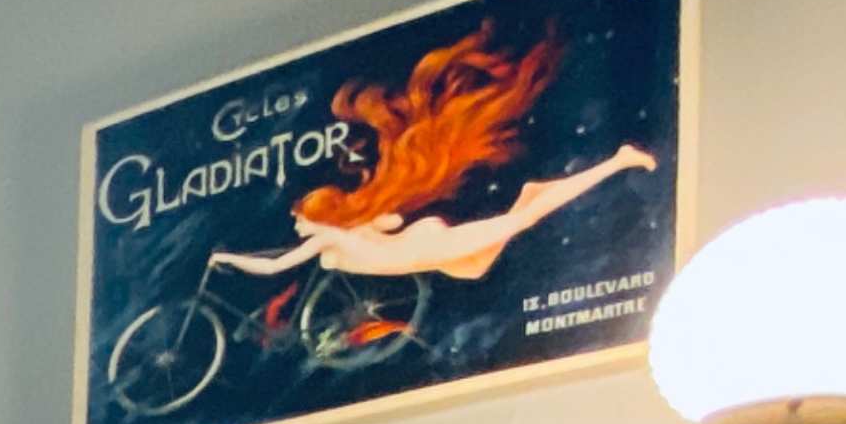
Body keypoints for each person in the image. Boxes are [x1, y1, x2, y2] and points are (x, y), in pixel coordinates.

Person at [209, 25, 654, 286]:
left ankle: (618, 160)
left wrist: (228, 259)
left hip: (432, 245)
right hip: (432, 253)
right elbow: (387, 225)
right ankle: (532, 194)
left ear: (317, 217)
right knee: (477, 268)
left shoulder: (331, 238)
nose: (297, 225)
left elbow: (274, 266)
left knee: (524, 221)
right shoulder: (352, 228)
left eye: (301, 218)